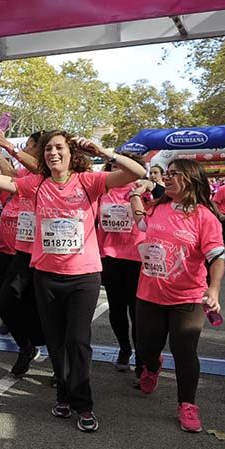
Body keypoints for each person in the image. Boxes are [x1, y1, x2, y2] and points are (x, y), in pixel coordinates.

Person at [0, 132, 143, 433]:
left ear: (71, 152)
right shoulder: (35, 184)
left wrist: (103, 151)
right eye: (49, 149)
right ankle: (63, 395)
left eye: (59, 148)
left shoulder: (88, 181)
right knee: (55, 341)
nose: (53, 153)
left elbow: (138, 173)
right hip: (47, 275)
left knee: (77, 341)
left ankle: (84, 404)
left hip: (84, 277)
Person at [130, 160, 225, 433]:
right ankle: (152, 365)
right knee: (146, 347)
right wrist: (136, 195)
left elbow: (218, 257)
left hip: (188, 296)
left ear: (191, 179)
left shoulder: (204, 217)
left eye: (174, 174)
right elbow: (141, 224)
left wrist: (214, 289)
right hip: (149, 293)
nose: (167, 178)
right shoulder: (158, 206)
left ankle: (187, 404)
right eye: (166, 174)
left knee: (185, 351)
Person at [0, 130, 45, 375]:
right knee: (5, 305)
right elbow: (7, 173)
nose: (27, 150)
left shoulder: (45, 177)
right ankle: (26, 347)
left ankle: (61, 364)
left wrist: (6, 146)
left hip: (39, 257)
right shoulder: (21, 178)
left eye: (30, 146)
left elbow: (34, 167)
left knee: (42, 311)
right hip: (10, 254)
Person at [98, 153, 148, 372]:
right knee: (117, 310)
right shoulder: (103, 190)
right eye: (114, 165)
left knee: (137, 312)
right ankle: (124, 347)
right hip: (110, 257)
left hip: (138, 258)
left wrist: (148, 184)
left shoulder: (142, 189)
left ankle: (141, 356)